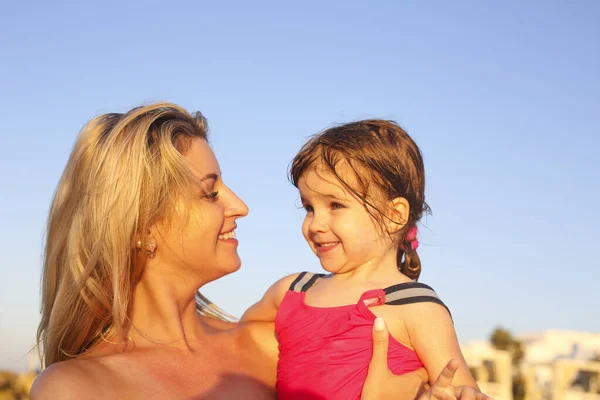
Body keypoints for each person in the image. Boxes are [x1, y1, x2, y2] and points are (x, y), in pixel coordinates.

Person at [30, 103, 467, 399]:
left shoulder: (277, 343)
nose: (240, 205)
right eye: (209, 192)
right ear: (142, 226)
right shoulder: (75, 388)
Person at [243, 120, 482, 399]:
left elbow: (463, 389)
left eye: (335, 205)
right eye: (309, 207)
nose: (315, 223)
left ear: (394, 216)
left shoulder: (416, 306)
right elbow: (234, 339)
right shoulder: (291, 291)